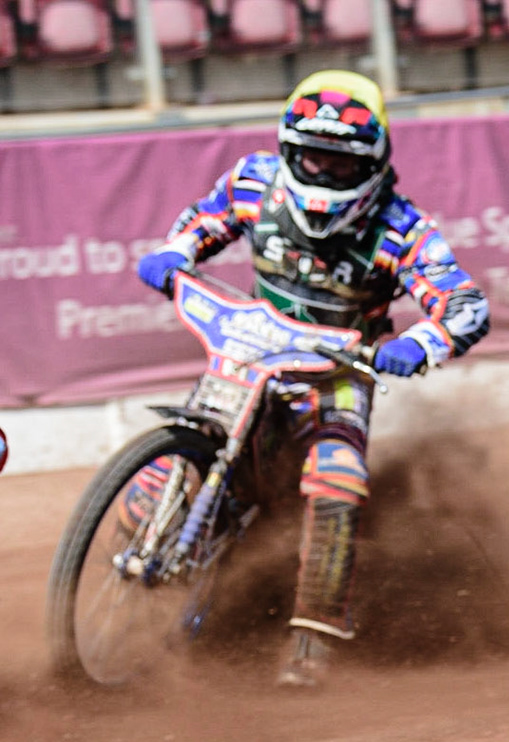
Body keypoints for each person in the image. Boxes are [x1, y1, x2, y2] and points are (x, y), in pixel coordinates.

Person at [134, 70, 489, 687]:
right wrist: (176, 251)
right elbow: (204, 219)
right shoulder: (255, 182)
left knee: (337, 481)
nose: (322, 174)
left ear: (374, 164)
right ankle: (141, 559)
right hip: (247, 350)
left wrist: (418, 342)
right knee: (157, 475)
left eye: (339, 163)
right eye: (311, 159)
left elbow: (467, 305)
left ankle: (312, 639)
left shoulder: (402, 228)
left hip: (339, 376)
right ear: (286, 151)